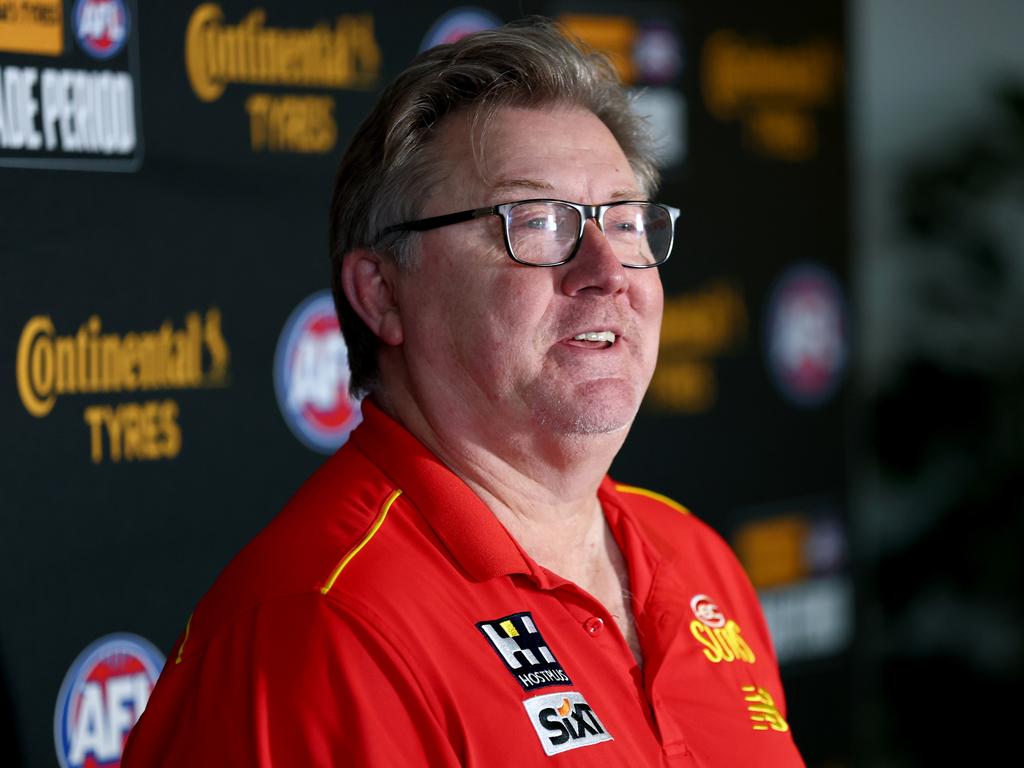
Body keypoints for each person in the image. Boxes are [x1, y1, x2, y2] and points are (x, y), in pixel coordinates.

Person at [124, 19, 803, 767]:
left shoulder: (694, 558)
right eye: (536, 222)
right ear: (382, 294)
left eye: (626, 220)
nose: (607, 270)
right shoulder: (327, 628)